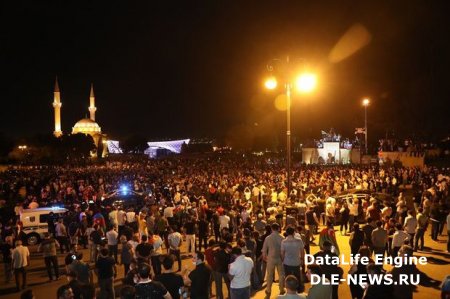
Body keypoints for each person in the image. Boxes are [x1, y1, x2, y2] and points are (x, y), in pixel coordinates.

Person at [262, 223, 285, 299]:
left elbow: (264, 249)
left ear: (272, 229)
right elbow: (283, 250)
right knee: (281, 274)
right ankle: (281, 289)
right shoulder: (282, 237)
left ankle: (268, 290)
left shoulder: (268, 238)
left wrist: (265, 257)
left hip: (270, 258)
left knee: (269, 275)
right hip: (279, 258)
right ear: (278, 228)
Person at [281, 226, 304, 293]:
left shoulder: (284, 241)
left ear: (287, 233)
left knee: (287, 277)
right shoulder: (299, 241)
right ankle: (298, 291)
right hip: (296, 261)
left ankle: (289, 290)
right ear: (294, 232)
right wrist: (302, 259)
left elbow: (282, 253)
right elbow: (302, 251)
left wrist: (283, 260)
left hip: (287, 262)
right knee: (297, 277)